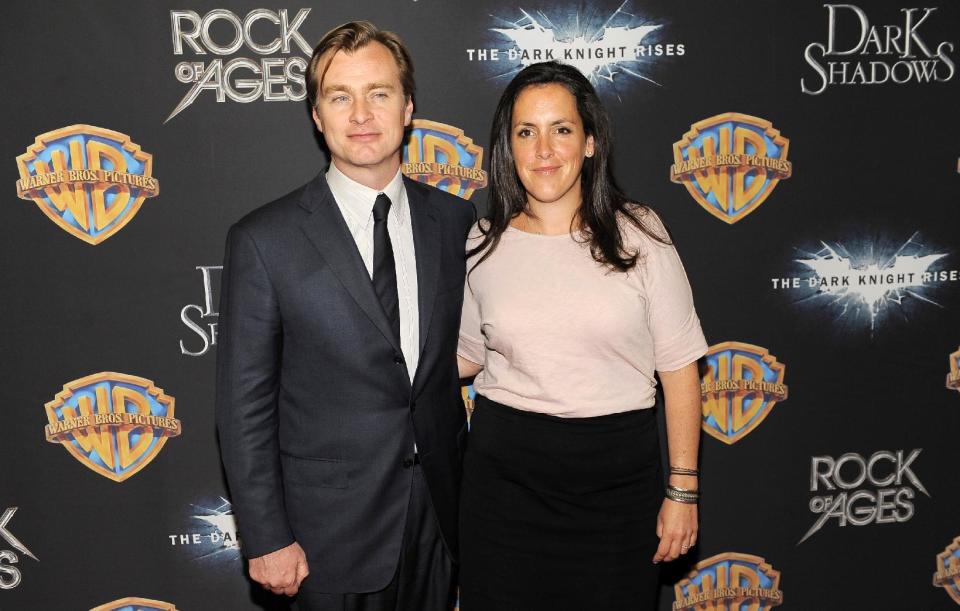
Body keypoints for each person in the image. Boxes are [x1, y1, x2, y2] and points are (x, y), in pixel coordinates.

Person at [215, 21, 474, 611]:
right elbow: (243, 405)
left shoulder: (456, 223)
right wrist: (266, 535)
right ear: (316, 114)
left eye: (379, 93)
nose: (361, 113)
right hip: (325, 535)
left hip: (439, 522)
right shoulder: (265, 239)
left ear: (407, 108)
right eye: (340, 96)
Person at [456, 61, 707, 610]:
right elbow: (467, 357)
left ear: (590, 142)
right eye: (527, 132)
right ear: (508, 146)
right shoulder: (481, 244)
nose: (544, 149)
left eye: (561, 129)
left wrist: (682, 488)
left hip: (616, 490)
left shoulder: (640, 232)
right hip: (503, 490)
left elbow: (681, 368)